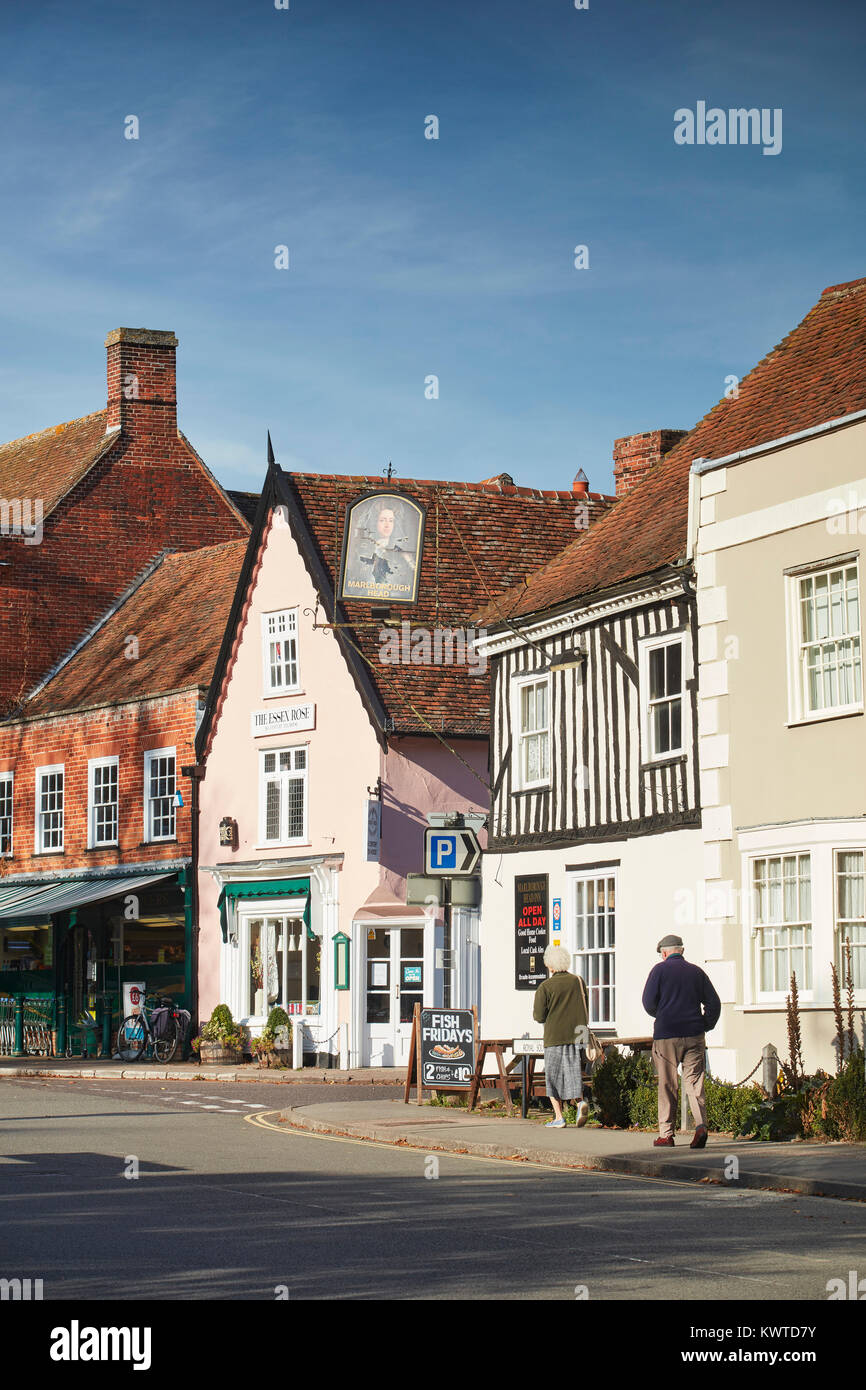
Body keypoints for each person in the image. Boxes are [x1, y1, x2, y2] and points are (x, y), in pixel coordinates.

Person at [641, 934, 721, 1149]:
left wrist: (664, 1014)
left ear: (664, 953)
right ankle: (701, 1126)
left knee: (668, 1084)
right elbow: (714, 1003)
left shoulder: (658, 971)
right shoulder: (696, 972)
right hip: (694, 1034)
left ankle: (666, 1135)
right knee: (694, 1083)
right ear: (681, 951)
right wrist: (705, 1024)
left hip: (667, 1036)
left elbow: (648, 1002)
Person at [533, 944, 590, 1129]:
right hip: (577, 1035)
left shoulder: (545, 986)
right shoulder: (578, 981)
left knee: (553, 1077)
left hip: (554, 1036)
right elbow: (585, 1006)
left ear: (550, 965)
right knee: (573, 1072)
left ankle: (559, 1117)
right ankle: (580, 1102)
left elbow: (538, 1016)